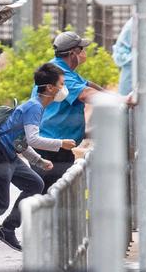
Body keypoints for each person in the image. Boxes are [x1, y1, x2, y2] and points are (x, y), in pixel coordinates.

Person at [0, 63, 77, 251]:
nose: (64, 89)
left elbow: (21, 142)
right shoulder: (34, 107)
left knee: (35, 184)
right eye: (61, 84)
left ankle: (7, 229)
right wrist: (60, 143)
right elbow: (33, 139)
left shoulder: (37, 107)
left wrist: (39, 161)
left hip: (10, 153)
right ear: (50, 88)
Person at [34, 31, 114, 192]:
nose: (84, 53)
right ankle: (18, 218)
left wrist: (110, 95)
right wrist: (116, 102)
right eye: (82, 49)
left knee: (57, 193)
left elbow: (88, 85)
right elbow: (85, 94)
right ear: (72, 53)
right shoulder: (57, 74)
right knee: (44, 194)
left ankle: (37, 217)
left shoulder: (65, 71)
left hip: (59, 145)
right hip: (49, 146)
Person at [113, 5, 146, 95]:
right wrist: (141, 56)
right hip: (131, 78)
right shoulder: (132, 25)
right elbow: (119, 56)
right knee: (127, 106)